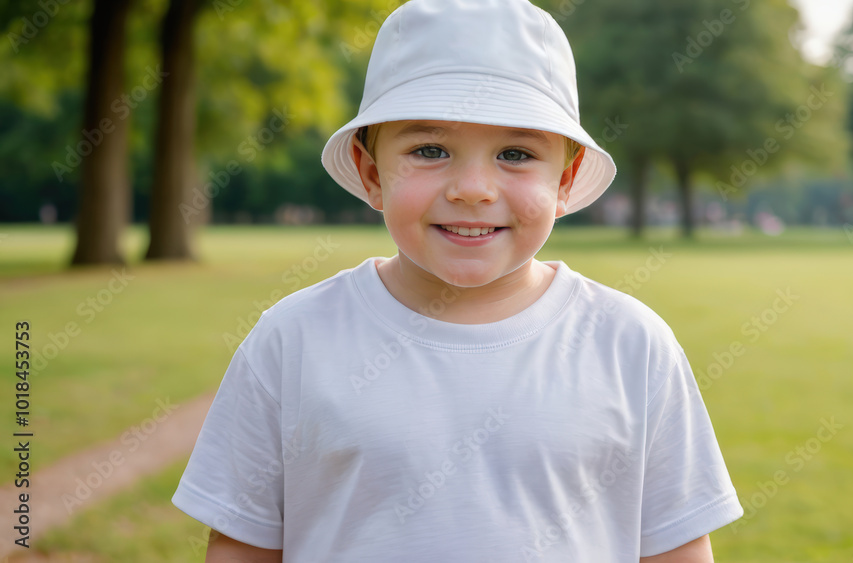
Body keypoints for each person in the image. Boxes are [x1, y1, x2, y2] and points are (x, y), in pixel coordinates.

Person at [172, 0, 743, 561]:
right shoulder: (293, 337)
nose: (473, 188)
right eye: (430, 149)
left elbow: (676, 546)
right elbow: (243, 544)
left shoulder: (631, 344)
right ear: (372, 174)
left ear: (565, 180)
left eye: (516, 153)